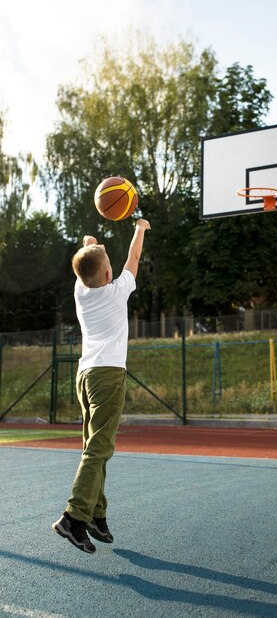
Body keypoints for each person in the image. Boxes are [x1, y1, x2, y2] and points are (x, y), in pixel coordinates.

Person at [52, 218, 151, 553]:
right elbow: (133, 260)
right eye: (109, 265)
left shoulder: (81, 292)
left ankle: (96, 516)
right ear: (109, 275)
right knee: (98, 449)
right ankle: (73, 518)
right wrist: (140, 228)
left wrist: (88, 245)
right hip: (107, 375)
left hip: (85, 375)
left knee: (95, 448)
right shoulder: (116, 291)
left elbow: (91, 265)